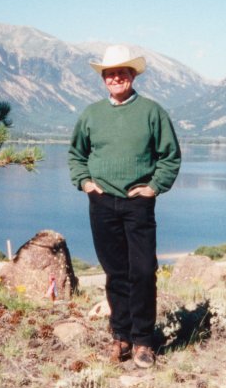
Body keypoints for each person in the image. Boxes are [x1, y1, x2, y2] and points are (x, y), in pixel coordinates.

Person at [68, 44, 181, 368]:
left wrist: (154, 187)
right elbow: (76, 154)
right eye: (110, 73)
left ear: (132, 75)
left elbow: (169, 155)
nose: (116, 78)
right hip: (102, 202)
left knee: (143, 271)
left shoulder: (152, 112)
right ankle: (122, 336)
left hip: (137, 203)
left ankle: (144, 340)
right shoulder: (91, 114)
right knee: (116, 272)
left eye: (122, 72)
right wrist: (86, 183)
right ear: (104, 79)